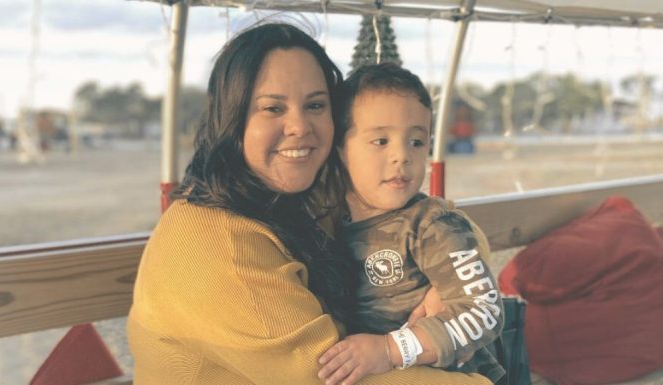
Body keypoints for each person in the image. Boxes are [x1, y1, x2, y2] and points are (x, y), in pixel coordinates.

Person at [127, 23, 492, 385]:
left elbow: (450, 228)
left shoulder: (298, 199)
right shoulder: (220, 244)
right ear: (231, 118)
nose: (300, 126)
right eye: (273, 108)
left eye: (316, 105)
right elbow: (331, 376)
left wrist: (444, 277)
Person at [317, 63, 504, 385]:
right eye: (380, 141)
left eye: (416, 142)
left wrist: (391, 349)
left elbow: (483, 310)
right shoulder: (325, 223)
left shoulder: (431, 226)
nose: (401, 156)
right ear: (341, 151)